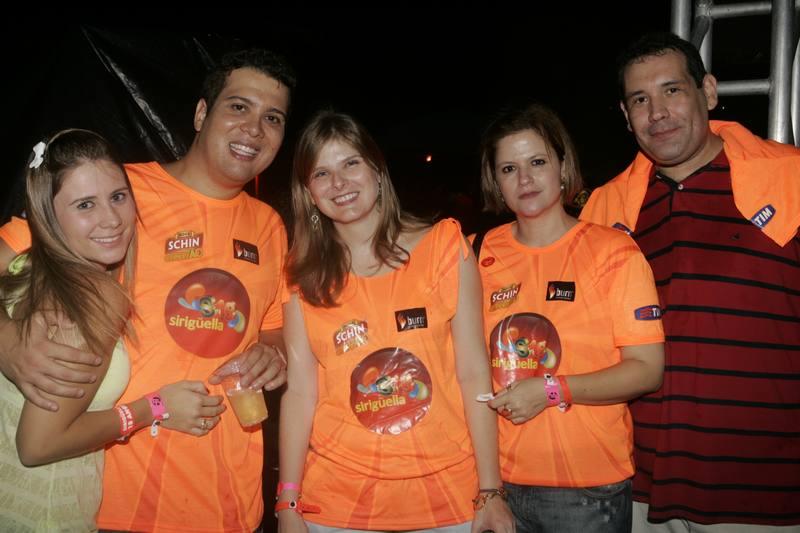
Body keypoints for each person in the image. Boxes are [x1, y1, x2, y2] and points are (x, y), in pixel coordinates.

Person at [0, 49, 295, 532]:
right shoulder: (115, 196)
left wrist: (273, 352)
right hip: (121, 502)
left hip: (232, 505)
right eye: (239, 107)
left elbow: (272, 328)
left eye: (273, 118)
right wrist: (8, 343)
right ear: (201, 114)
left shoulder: (269, 227)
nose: (255, 129)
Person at [580, 31, 800, 532]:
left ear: (709, 92)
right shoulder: (606, 209)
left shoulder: (790, 179)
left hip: (766, 493)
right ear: (626, 115)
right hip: (640, 492)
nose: (657, 112)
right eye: (640, 99)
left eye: (672, 90)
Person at [277, 110, 514, 533]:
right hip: (335, 503)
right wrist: (287, 500)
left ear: (376, 170)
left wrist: (491, 490)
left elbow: (474, 374)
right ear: (308, 193)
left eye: (351, 163)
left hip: (449, 498)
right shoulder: (301, 273)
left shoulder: (443, 246)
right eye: (321, 173)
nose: (339, 183)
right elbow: (299, 393)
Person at [0, 129, 222, 531]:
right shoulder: (97, 294)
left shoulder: (23, 265)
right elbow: (38, 445)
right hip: (43, 514)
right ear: (47, 215)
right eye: (85, 204)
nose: (112, 219)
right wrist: (152, 408)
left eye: (118, 197)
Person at [471, 103, 665, 533]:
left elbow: (647, 370)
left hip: (585, 492)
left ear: (562, 166)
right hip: (491, 484)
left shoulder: (613, 252)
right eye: (509, 169)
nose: (525, 179)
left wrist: (551, 390)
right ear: (495, 181)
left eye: (537, 162)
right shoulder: (476, 252)